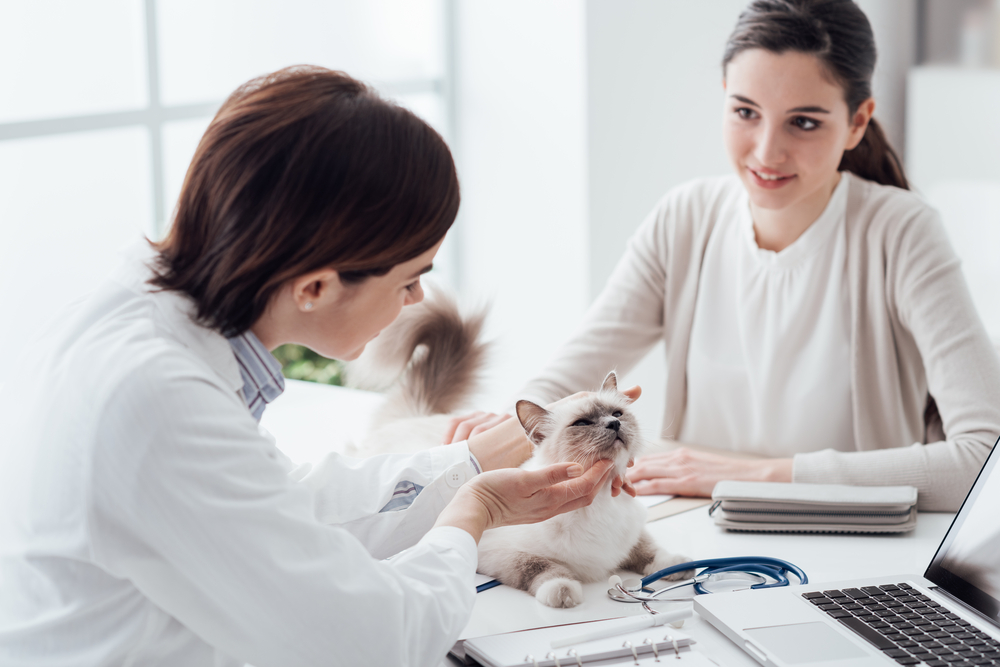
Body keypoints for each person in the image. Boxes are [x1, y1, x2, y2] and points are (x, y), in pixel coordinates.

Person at [0, 67, 628, 666]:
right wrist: (473, 512)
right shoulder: (155, 398)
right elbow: (373, 641)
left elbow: (280, 507)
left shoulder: (136, 322)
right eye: (410, 280)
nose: (417, 302)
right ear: (317, 287)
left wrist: (469, 464)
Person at [445, 0, 1000, 512]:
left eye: (804, 122)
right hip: (695, 531)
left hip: (855, 552)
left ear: (857, 122)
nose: (766, 151)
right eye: (745, 112)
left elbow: (983, 460)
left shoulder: (903, 232)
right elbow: (571, 375)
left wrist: (747, 476)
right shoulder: (685, 217)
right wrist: (497, 433)